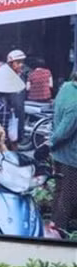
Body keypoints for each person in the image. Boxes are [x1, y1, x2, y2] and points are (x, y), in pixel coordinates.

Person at [50, 72, 77, 234]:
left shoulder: (66, 87)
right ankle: (60, 230)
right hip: (71, 156)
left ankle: (54, 221)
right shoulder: (75, 104)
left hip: (59, 155)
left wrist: (51, 144)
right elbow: (64, 132)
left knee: (59, 189)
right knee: (69, 194)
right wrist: (52, 141)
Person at [6, 49, 28, 145]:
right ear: (11, 64)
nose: (21, 65)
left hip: (20, 109)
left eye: (22, 62)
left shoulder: (22, 75)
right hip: (10, 111)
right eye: (18, 62)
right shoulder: (6, 77)